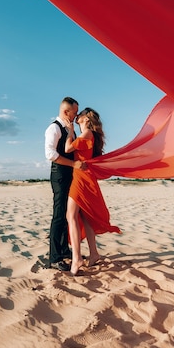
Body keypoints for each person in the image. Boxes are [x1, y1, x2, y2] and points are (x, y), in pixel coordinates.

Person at [64, 107, 121, 276]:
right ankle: (94, 253)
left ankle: (77, 258)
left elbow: (68, 149)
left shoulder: (87, 133)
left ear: (86, 119)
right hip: (83, 177)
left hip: (82, 178)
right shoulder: (89, 134)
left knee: (71, 215)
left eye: (80, 114)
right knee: (84, 216)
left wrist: (70, 132)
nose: (77, 116)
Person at [44, 96, 86, 271]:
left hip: (71, 176)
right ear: (66, 111)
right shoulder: (54, 128)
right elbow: (50, 154)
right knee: (59, 215)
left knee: (69, 215)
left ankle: (64, 250)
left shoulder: (69, 128)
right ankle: (54, 258)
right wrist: (73, 164)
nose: (76, 116)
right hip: (60, 175)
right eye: (75, 112)